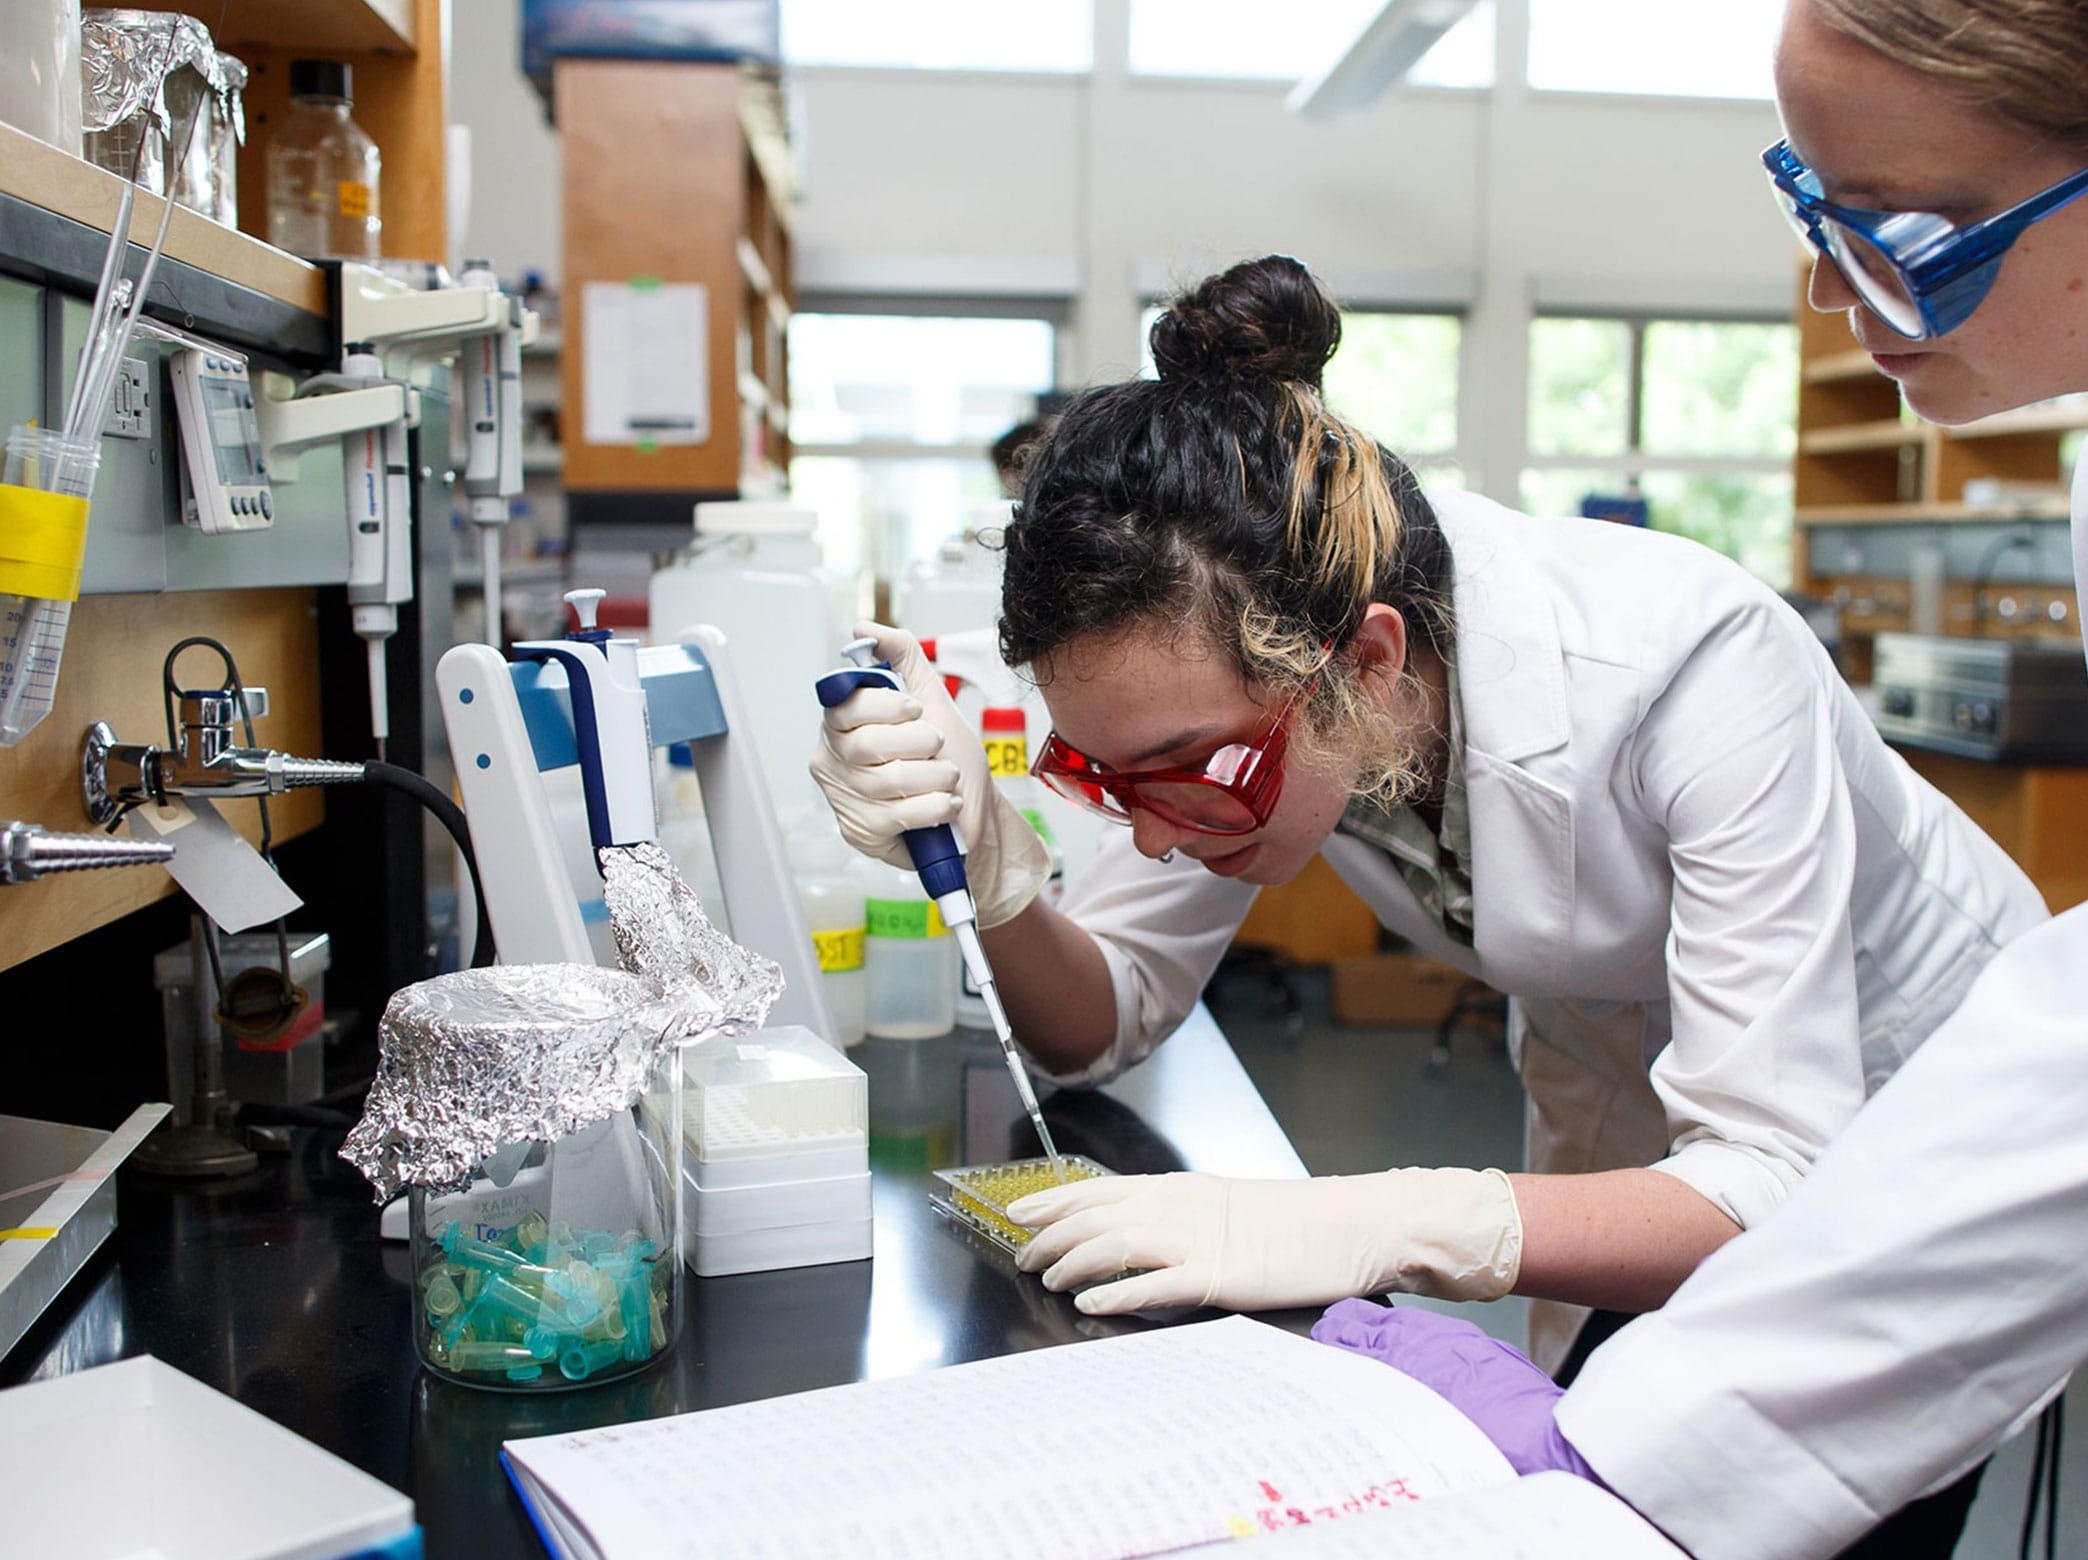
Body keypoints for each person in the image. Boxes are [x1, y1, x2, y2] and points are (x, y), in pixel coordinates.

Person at [808, 253, 2046, 1385]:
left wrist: (1362, 1220)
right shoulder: (1265, 688)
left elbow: (1776, 1175)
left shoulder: (1692, 665)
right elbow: (1098, 1016)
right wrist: (989, 862)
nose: (1147, 833)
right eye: (1104, 776)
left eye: (1181, 771)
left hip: (1914, 1083)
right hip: (1630, 1081)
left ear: (1371, 662)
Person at [1318, 2, 2088, 1556]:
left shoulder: (1694, 657)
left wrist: (1641, 1451)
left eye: (1909, 229)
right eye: (1813, 209)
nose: (1826, 289)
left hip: (1921, 1128)